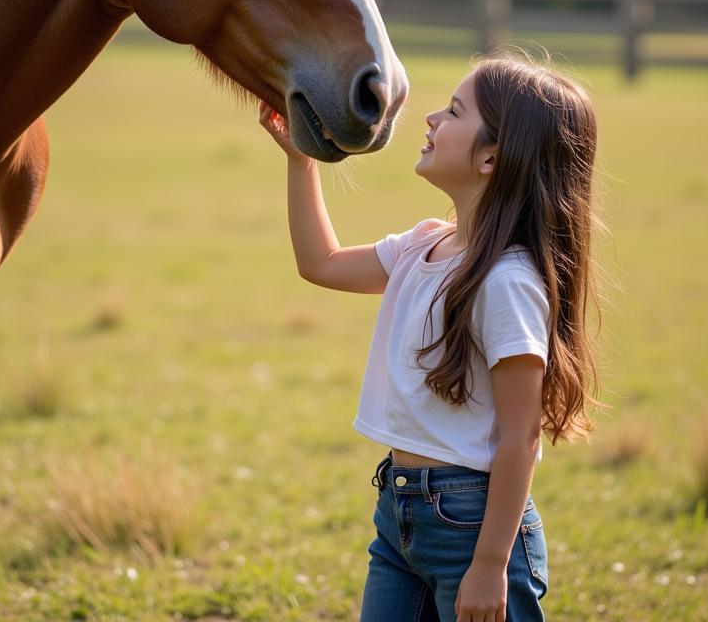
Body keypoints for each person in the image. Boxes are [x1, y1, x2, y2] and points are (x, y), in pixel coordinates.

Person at [258, 50, 603, 622]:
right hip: (398, 515)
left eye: (453, 111)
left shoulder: (507, 282)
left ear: (491, 156)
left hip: (474, 527)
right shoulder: (424, 246)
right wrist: (301, 162)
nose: (431, 120)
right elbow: (320, 262)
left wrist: (491, 563)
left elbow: (521, 437)